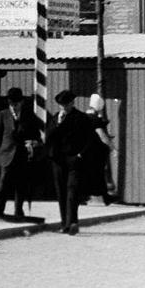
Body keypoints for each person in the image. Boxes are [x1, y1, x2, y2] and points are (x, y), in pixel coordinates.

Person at [0, 86, 42, 220]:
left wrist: (33, 142)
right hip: (6, 153)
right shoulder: (3, 114)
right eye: (11, 103)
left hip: (22, 154)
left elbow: (36, 135)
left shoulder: (29, 115)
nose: (13, 106)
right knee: (3, 181)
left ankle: (18, 210)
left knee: (20, 183)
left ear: (21, 102)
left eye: (16, 104)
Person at [46, 89, 96, 234]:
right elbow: (49, 136)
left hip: (74, 159)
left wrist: (81, 155)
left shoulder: (81, 118)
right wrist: (58, 123)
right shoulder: (56, 118)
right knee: (61, 192)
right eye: (61, 105)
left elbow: (89, 139)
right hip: (58, 160)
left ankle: (72, 222)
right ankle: (64, 224)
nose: (64, 108)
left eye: (66, 105)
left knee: (72, 191)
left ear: (72, 103)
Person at [84, 92, 115, 204]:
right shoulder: (95, 119)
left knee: (86, 174)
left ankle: (86, 196)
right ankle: (104, 197)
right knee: (99, 174)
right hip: (95, 151)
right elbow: (101, 135)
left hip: (83, 150)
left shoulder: (83, 117)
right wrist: (112, 147)